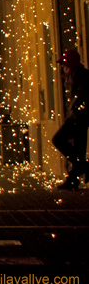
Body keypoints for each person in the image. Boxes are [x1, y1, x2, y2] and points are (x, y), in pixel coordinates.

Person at [52, 49, 89, 189]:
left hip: (78, 116)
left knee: (58, 139)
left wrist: (76, 110)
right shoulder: (79, 73)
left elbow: (83, 94)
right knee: (79, 149)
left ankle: (82, 166)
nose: (63, 68)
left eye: (65, 65)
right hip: (81, 116)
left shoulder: (76, 74)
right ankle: (74, 179)